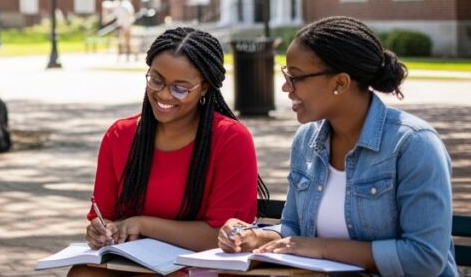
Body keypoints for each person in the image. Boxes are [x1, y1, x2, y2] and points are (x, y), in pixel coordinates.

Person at [218, 16, 457, 277]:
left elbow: (424, 258)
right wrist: (255, 236)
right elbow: (294, 230)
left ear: (340, 83)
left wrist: (323, 248)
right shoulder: (306, 140)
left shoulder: (413, 144)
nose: (286, 87)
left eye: (295, 77)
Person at [72, 27, 265, 276]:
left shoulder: (230, 138)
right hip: (132, 266)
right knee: (84, 273)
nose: (163, 94)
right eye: (156, 80)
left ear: (204, 87)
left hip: (200, 269)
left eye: (180, 88)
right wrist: (100, 230)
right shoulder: (120, 135)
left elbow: (221, 235)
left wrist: (143, 224)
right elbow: (105, 216)